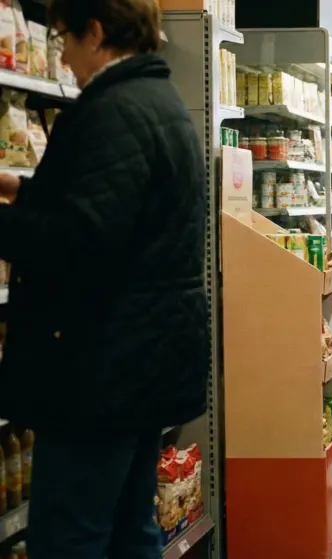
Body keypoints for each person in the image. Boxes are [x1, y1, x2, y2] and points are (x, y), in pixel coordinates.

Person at [0, 1, 210, 557]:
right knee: (127, 528)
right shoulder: (157, 101)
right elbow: (121, 213)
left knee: (70, 536)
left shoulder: (113, 109)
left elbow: (80, 242)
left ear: (97, 32)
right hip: (143, 359)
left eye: (65, 36)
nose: (62, 55)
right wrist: (24, 191)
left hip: (100, 366)